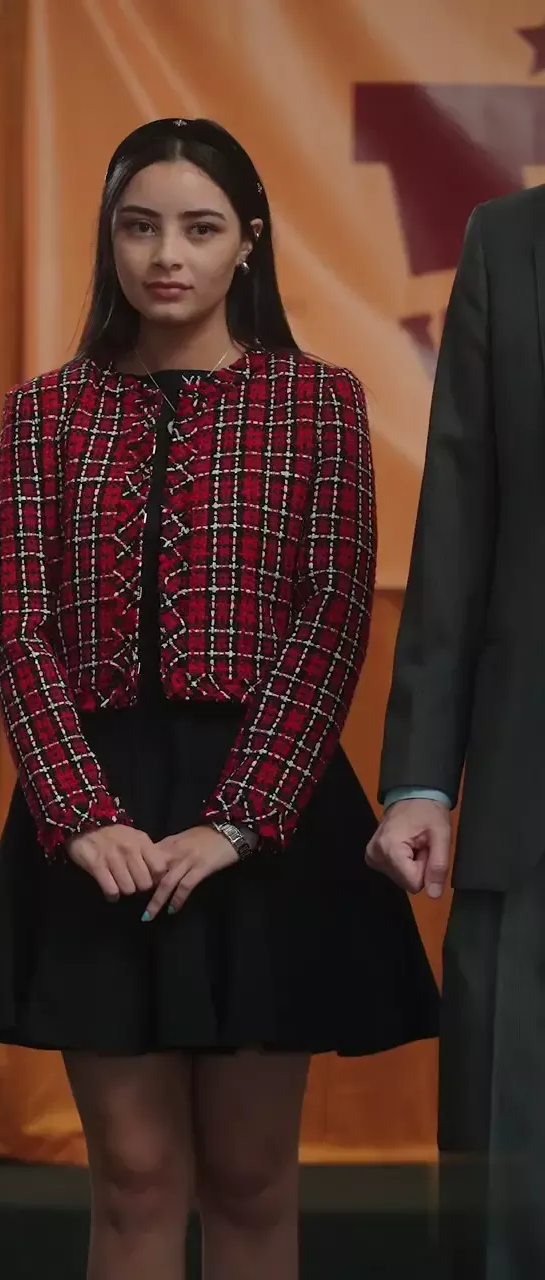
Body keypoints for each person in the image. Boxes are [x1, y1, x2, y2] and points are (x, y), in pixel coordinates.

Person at [0, 117, 438, 1280]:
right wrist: (80, 815)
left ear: (247, 242)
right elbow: (21, 627)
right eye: (140, 226)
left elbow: (331, 617)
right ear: (109, 239)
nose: (168, 254)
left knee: (252, 1177)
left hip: (265, 810)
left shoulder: (318, 401)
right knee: (136, 1176)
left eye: (200, 228)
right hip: (96, 817)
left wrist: (238, 820)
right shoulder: (45, 411)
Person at [366, 186, 545, 1279]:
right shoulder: (509, 242)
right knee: (513, 1185)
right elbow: (460, 514)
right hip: (530, 789)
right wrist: (423, 777)